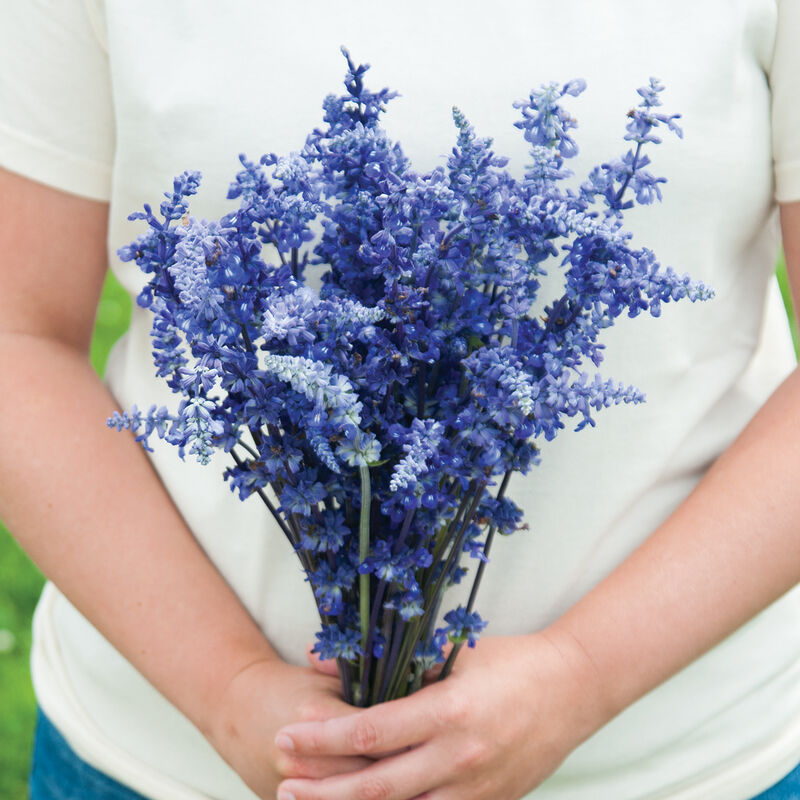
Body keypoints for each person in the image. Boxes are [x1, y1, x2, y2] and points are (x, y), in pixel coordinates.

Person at [2, 1, 800, 798]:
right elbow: (17, 337)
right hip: (170, 757)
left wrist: (581, 676)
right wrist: (228, 690)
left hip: (677, 763)